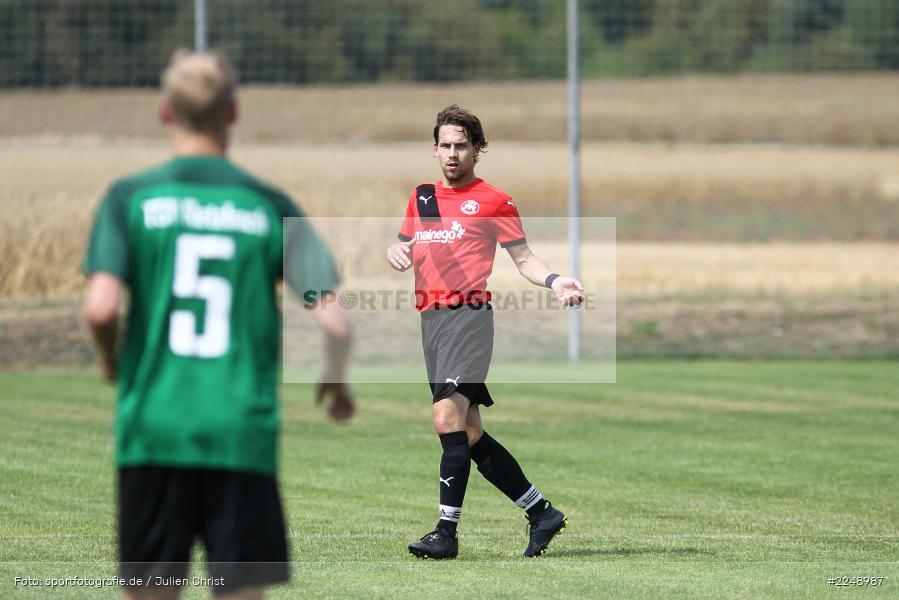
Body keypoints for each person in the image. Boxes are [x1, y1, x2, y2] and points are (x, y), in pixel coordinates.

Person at [82, 50, 354, 600]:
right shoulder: (266, 203)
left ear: (164, 112)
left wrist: (111, 358)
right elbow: (337, 324)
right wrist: (335, 379)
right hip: (240, 435)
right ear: (232, 112)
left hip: (153, 432)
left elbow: (101, 307)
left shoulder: (129, 198)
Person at [387, 105, 584, 560]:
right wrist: (395, 251)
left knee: (446, 421)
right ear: (434, 149)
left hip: (469, 318)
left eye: (462, 145)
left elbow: (524, 258)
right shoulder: (421, 198)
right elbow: (405, 243)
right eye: (445, 146)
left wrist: (556, 281)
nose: (452, 154)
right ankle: (542, 513)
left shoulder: (495, 200)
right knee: (469, 433)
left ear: (478, 149)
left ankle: (445, 533)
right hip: (432, 322)